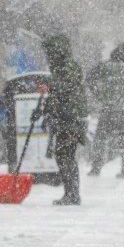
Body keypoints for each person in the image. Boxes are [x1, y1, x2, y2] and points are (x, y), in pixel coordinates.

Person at [32, 35, 88, 205]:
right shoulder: (59, 68)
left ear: (58, 51)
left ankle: (72, 194)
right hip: (66, 117)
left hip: (72, 118)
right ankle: (71, 193)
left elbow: (67, 87)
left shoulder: (69, 66)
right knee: (64, 155)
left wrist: (50, 84)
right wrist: (42, 110)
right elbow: (57, 95)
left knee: (65, 155)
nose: (48, 56)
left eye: (50, 52)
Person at [86, 43, 124, 179]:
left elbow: (89, 78)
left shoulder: (106, 67)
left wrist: (98, 94)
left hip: (109, 110)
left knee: (100, 139)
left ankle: (96, 168)